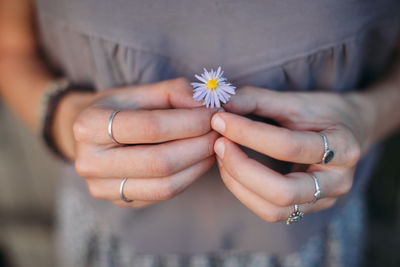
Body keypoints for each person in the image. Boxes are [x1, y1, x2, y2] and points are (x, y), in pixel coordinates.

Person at [1, 0, 400, 266]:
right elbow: (10, 45)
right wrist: (64, 118)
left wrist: (366, 117)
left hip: (309, 243)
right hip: (111, 239)